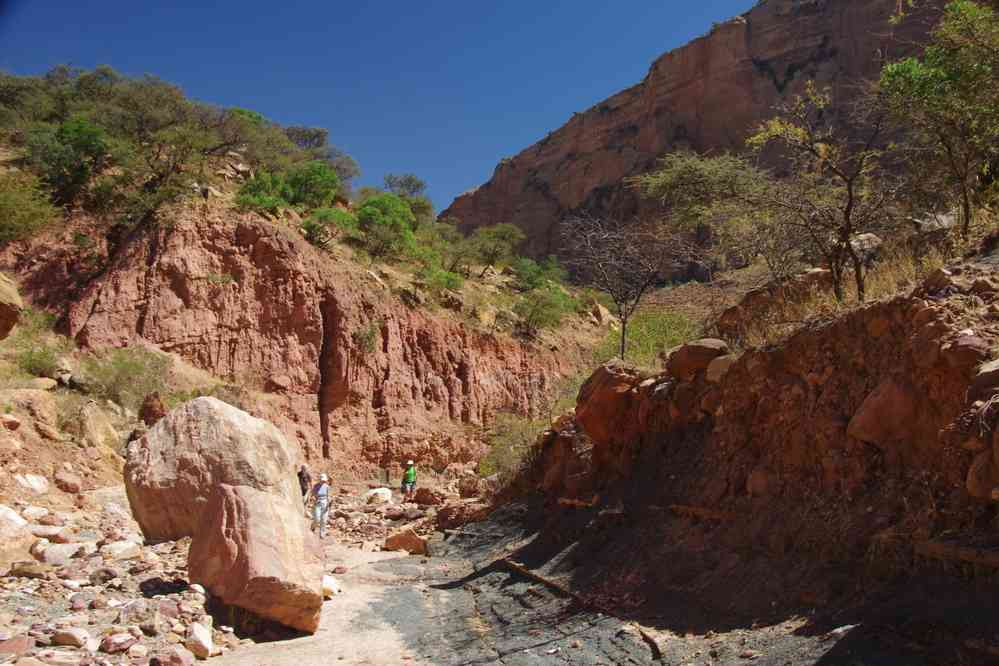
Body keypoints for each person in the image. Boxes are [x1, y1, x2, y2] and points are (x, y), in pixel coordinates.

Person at [311, 473, 331, 538]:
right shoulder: (315, 486)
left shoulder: (327, 487)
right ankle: (313, 527)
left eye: (324, 480)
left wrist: (329, 502)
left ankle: (322, 533)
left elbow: (329, 496)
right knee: (317, 518)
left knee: (324, 520)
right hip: (318, 503)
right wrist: (313, 498)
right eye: (321, 480)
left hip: (325, 503)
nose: (323, 481)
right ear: (319, 480)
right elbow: (313, 495)